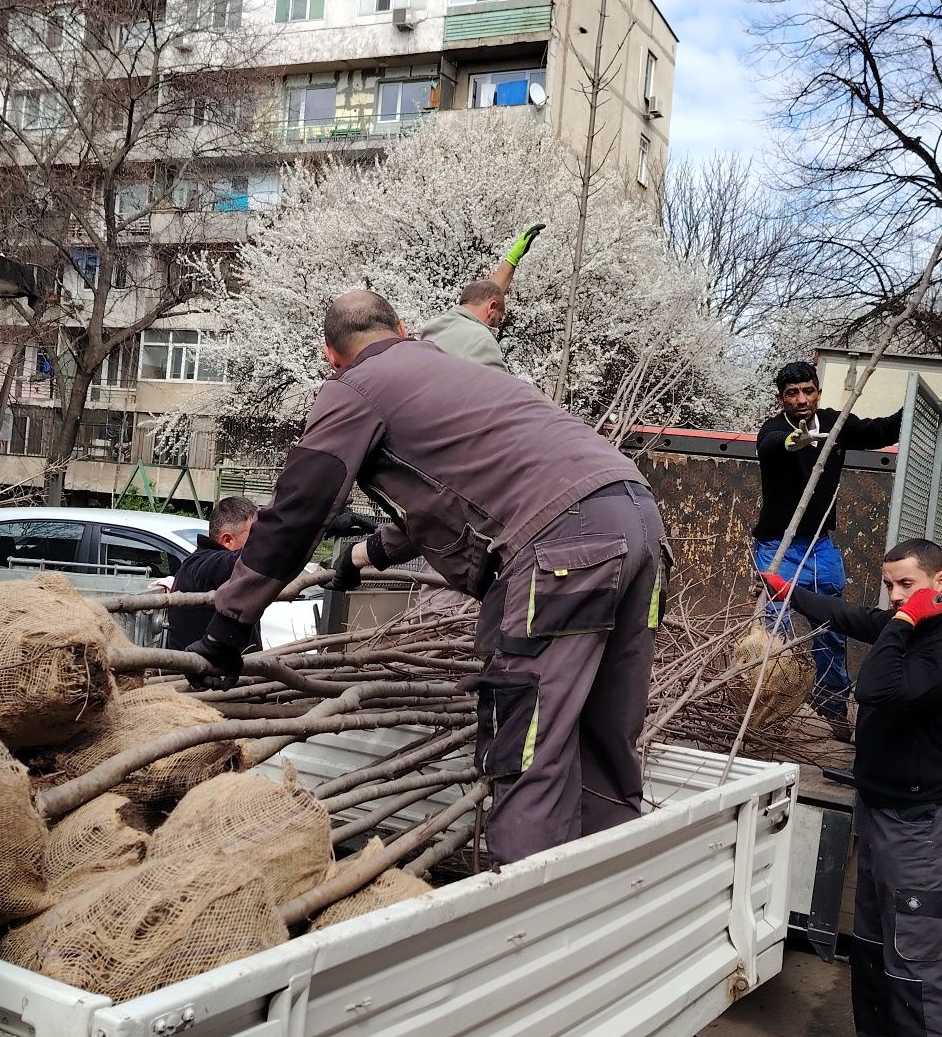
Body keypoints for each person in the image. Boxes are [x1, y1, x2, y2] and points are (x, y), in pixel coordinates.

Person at [183, 289, 664, 864]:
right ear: (403, 328)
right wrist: (364, 556)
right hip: (638, 518)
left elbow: (292, 516)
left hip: (563, 548)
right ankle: (612, 901)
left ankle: (528, 933)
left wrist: (229, 624)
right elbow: (463, 498)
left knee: (530, 747)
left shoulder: (353, 388)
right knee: (608, 739)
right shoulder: (452, 374)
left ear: (329, 356)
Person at [760, 538, 942, 1037]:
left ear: (940, 582)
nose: (892, 599)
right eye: (887, 586)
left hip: (925, 832)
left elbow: (878, 686)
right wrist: (791, 594)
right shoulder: (899, 622)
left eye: (905, 586)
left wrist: (907, 619)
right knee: (875, 957)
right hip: (884, 816)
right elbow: (851, 618)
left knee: (923, 974)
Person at [753, 359, 902, 737]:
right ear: (781, 399)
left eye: (807, 391)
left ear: (817, 392)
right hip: (778, 547)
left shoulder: (837, 423)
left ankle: (833, 706)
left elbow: (880, 430)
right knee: (775, 630)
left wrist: (913, 413)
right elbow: (772, 446)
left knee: (833, 624)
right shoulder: (774, 430)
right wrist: (794, 442)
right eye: (792, 394)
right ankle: (769, 709)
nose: (801, 400)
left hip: (819, 547)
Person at [419, 223, 545, 369]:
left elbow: (488, 295)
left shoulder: (433, 327)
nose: (497, 327)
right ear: (491, 308)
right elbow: (501, 389)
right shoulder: (482, 341)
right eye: (499, 319)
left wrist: (512, 260)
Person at [164, 496, 261, 653]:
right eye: (255, 537)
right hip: (198, 676)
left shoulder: (202, 563)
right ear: (228, 540)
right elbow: (242, 561)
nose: (258, 543)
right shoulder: (200, 566)